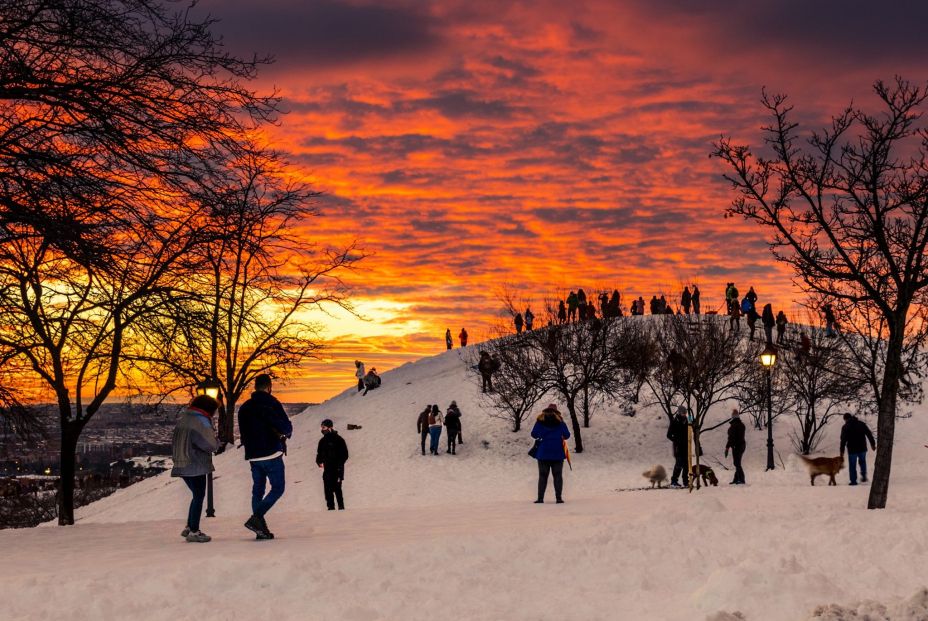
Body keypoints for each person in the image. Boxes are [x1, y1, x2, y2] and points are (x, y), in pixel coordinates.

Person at [238, 374, 293, 540]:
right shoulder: (271, 403)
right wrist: (286, 432)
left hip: (253, 456)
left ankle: (260, 529)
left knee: (258, 491)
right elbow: (285, 426)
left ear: (255, 387)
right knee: (278, 488)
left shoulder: (244, 407)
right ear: (269, 386)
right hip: (271, 452)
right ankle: (257, 519)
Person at [171, 395, 220, 543]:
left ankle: (189, 526)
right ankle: (194, 531)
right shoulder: (200, 421)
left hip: (181, 461)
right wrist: (217, 441)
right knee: (199, 496)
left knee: (196, 495)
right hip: (195, 463)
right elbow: (209, 444)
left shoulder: (184, 418)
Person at [531, 404, 571, 503]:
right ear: (556, 412)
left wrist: (542, 435)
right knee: (557, 475)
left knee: (543, 476)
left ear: (545, 411)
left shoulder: (540, 421)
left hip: (543, 452)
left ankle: (540, 499)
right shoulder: (560, 422)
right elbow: (567, 435)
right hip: (557, 453)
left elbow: (533, 434)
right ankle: (558, 498)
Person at [316, 419, 349, 510]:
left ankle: (341, 509)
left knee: (337, 489)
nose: (322, 429)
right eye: (322, 427)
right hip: (327, 470)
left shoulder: (339, 440)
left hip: (337, 469)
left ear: (330, 428)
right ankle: (330, 509)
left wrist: (339, 464)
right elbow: (319, 453)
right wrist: (318, 461)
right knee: (327, 490)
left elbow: (345, 455)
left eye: (324, 427)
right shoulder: (322, 441)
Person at [840, 413, 876, 485]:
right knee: (862, 461)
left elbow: (843, 439)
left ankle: (853, 481)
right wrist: (873, 444)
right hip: (862, 448)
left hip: (852, 449)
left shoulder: (845, 427)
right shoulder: (861, 424)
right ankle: (863, 476)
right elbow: (869, 434)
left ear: (845, 419)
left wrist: (842, 450)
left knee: (852, 465)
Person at [667, 407, 689, 487]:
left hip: (687, 446)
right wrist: (676, 440)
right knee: (679, 464)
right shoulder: (674, 421)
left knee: (686, 465)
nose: (684, 414)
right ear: (679, 413)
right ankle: (674, 481)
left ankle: (686, 482)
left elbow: (691, 430)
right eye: (683, 413)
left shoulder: (687, 420)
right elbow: (668, 435)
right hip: (678, 447)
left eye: (685, 413)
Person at [725, 409, 746, 485]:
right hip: (742, 445)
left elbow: (731, 438)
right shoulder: (742, 425)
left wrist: (727, 447)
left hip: (736, 446)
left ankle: (741, 479)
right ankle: (736, 479)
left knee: (737, 463)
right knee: (737, 462)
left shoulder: (733, 426)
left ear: (732, 417)